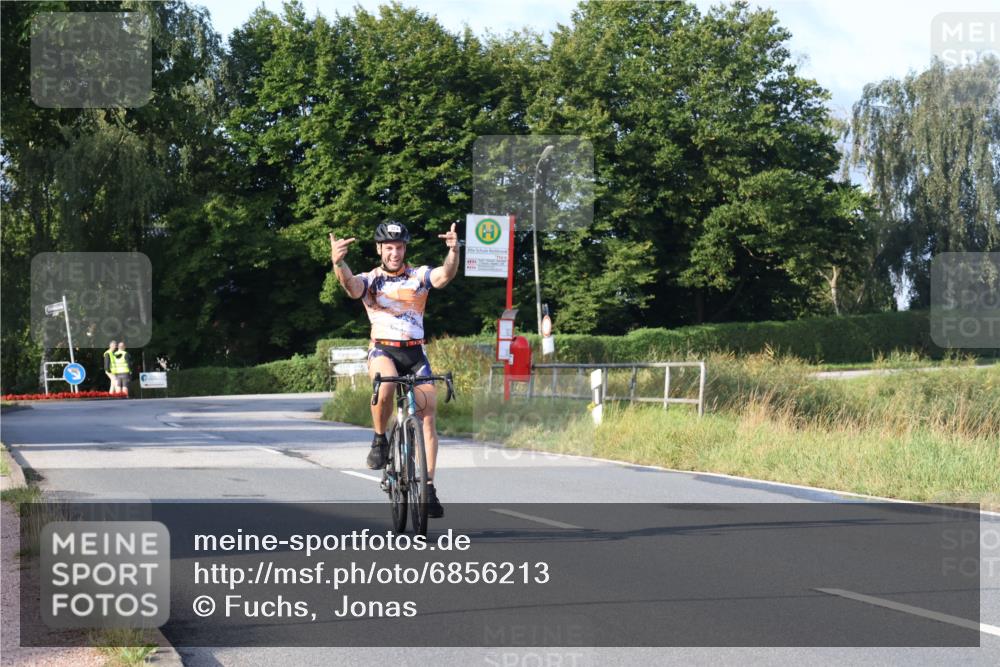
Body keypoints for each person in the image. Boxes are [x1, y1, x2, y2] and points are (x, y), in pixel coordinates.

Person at [330, 220, 459, 518]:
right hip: (383, 349)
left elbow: (443, 276)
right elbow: (351, 286)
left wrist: (453, 252)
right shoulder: (372, 279)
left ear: (405, 249)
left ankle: (427, 487)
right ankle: (379, 439)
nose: (395, 253)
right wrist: (340, 263)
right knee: (384, 384)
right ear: (379, 249)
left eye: (399, 247)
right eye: (389, 247)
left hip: (415, 353)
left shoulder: (418, 276)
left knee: (427, 418)